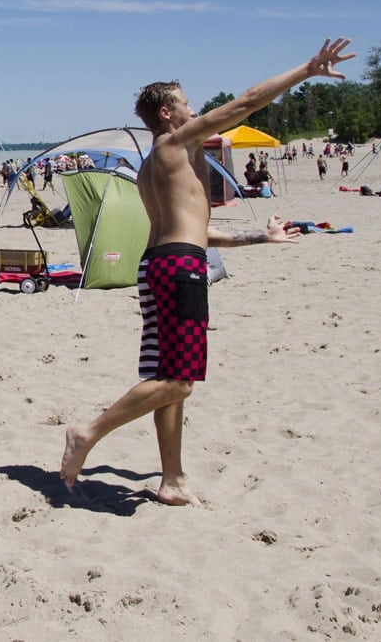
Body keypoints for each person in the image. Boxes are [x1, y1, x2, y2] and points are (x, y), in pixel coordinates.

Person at [60, 37, 354, 507]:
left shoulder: (149, 168)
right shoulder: (177, 142)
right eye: (186, 103)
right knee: (180, 381)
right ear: (167, 114)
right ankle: (87, 432)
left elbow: (196, 231)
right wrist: (307, 69)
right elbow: (246, 102)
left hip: (157, 265)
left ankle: (172, 478)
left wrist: (260, 237)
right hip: (180, 268)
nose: (194, 109)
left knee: (166, 381)